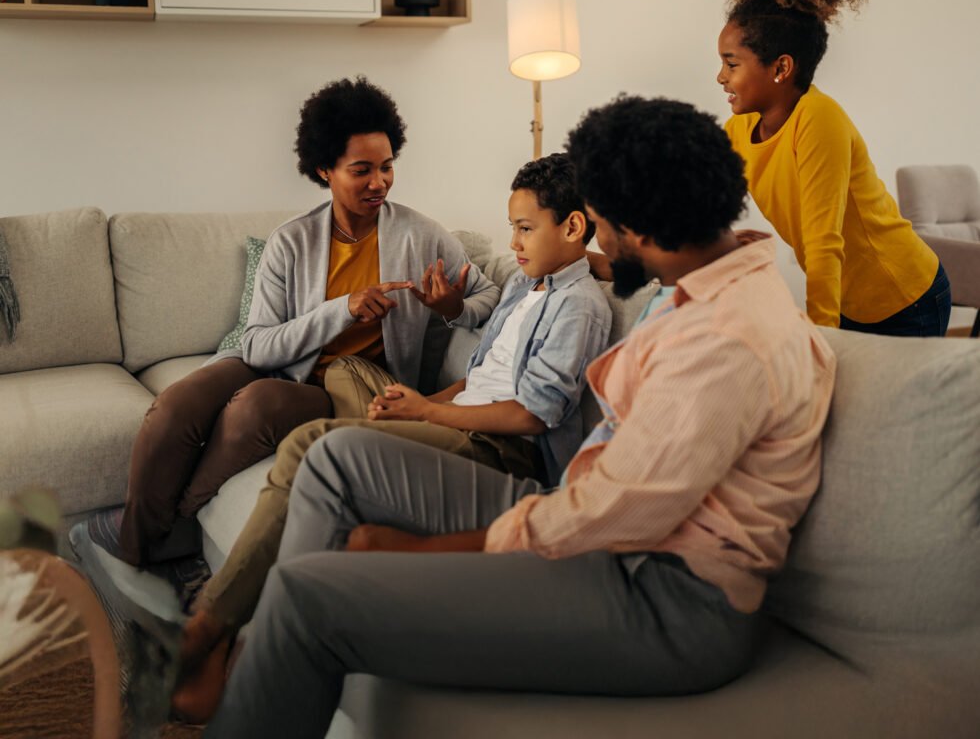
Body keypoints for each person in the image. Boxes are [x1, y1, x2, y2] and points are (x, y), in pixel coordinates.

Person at [202, 96, 836, 739]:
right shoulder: (706, 283)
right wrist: (561, 261)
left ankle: (266, 657)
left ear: (641, 222)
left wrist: (425, 553)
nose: (598, 239)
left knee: (311, 596)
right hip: (614, 545)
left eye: (602, 222)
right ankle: (267, 664)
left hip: (664, 597)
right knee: (333, 455)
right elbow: (592, 272)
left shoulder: (725, 339)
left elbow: (610, 515)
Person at [172, 152, 612, 721]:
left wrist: (427, 416)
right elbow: (478, 381)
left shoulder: (578, 305)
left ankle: (214, 626)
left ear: (572, 226)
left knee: (315, 446)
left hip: (503, 455)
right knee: (344, 373)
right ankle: (235, 626)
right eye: (512, 228)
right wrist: (429, 399)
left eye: (525, 228)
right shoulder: (524, 289)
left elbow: (533, 413)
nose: (515, 242)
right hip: (461, 421)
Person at [86, 76, 499, 568]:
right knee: (173, 408)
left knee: (254, 407)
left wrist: (452, 308)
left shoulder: (422, 236)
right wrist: (341, 309)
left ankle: (150, 536)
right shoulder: (291, 241)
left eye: (387, 167)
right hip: (277, 359)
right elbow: (258, 346)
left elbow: (487, 293)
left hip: (341, 386)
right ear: (324, 169)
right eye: (361, 170)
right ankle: (140, 545)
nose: (379, 183)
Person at [718, 0, 951, 335]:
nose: (720, 77)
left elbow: (824, 244)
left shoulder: (819, 120)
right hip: (848, 297)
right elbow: (698, 190)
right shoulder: (739, 127)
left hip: (903, 294)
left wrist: (821, 338)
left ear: (781, 68)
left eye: (731, 64)